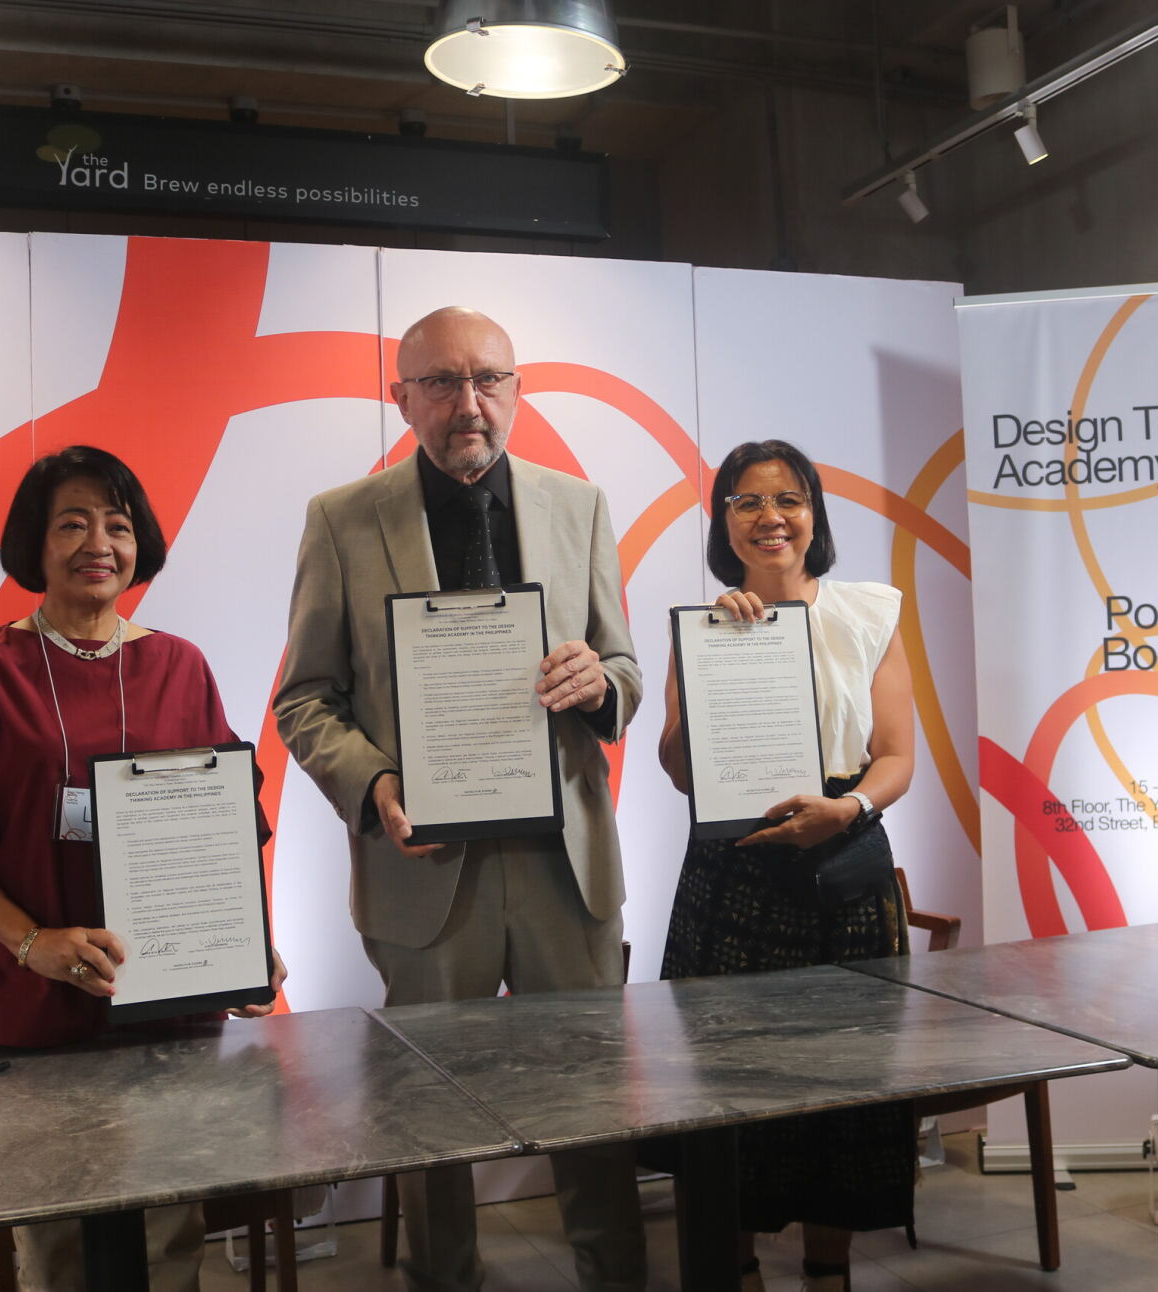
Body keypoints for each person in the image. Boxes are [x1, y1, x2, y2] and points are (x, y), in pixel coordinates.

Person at [273, 306, 646, 1292]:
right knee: (429, 1112)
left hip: (566, 866)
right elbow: (304, 699)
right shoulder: (342, 519)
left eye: (488, 379)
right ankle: (444, 1280)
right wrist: (374, 784)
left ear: (517, 391)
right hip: (424, 868)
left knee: (591, 1099)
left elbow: (623, 667)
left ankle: (614, 1276)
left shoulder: (580, 506)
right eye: (441, 382)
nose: (468, 402)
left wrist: (599, 683)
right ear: (401, 398)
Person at [0, 444, 285, 1292]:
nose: (98, 543)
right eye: (71, 524)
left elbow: (222, 825)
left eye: (117, 525)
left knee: (169, 1243)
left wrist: (246, 947)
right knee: (56, 1246)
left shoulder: (180, 666)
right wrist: (32, 943)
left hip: (166, 1006)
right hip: (30, 1007)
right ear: (35, 544)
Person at [657, 439, 917, 1292]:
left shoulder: (868, 611)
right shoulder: (703, 627)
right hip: (732, 874)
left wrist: (849, 809)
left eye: (788, 499)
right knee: (725, 1077)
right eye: (746, 501)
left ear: (813, 514)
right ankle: (733, 1267)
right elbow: (680, 769)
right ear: (723, 521)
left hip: (843, 863)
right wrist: (713, 663)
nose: (769, 517)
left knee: (846, 1077)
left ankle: (827, 1270)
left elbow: (896, 757)